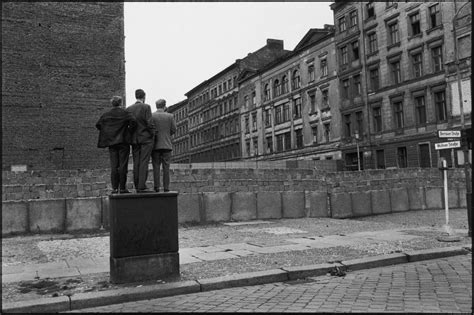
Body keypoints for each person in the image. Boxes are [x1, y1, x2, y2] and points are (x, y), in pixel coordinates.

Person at [96, 96, 136, 194]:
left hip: (112, 142)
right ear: (121, 103)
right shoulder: (125, 113)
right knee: (123, 165)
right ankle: (122, 187)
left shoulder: (106, 115)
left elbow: (98, 125)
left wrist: (108, 132)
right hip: (123, 142)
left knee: (114, 165)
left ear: (112, 104)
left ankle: (114, 188)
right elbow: (134, 122)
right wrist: (128, 131)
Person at [126, 89, 155, 193]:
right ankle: (142, 186)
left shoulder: (129, 109)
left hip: (134, 139)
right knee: (144, 162)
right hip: (146, 139)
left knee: (136, 162)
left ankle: (137, 184)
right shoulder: (146, 107)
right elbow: (149, 123)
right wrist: (153, 134)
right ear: (144, 97)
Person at [151, 99, 176, 192]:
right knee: (166, 168)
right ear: (165, 106)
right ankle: (166, 187)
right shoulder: (170, 116)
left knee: (156, 167)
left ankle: (156, 187)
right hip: (166, 145)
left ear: (156, 106)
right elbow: (174, 129)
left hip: (155, 146)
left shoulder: (152, 116)